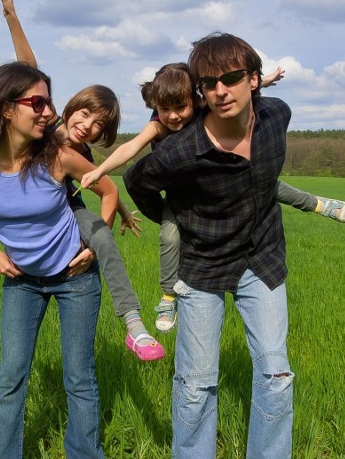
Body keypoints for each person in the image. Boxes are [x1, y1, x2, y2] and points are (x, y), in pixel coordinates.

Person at [0, 0, 164, 361]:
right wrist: (12, 17)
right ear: (68, 109)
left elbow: (102, 183)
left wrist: (118, 211)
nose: (88, 126)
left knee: (99, 237)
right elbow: (28, 71)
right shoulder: (45, 125)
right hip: (25, 208)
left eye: (99, 126)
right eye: (85, 115)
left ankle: (134, 323)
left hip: (69, 215)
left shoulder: (78, 153)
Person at [80, 62, 345, 333]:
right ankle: (167, 297)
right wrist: (100, 170)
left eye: (181, 108)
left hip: (218, 186)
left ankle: (318, 204)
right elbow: (130, 147)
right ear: (156, 106)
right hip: (181, 197)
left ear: (196, 98)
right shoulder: (157, 125)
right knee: (170, 235)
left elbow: (234, 95)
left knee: (269, 185)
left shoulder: (204, 108)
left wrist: (264, 81)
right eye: (165, 110)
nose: (174, 116)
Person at [123, 32, 296, 458]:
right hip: (201, 264)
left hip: (262, 257)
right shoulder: (181, 151)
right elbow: (136, 182)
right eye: (209, 83)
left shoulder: (276, 116)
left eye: (231, 78)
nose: (220, 91)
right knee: (196, 382)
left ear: (253, 79)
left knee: (276, 374)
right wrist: (176, 219)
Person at [0, 61, 108, 457]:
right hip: (22, 282)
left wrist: (95, 245)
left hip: (75, 279)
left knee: (79, 377)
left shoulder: (59, 156)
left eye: (49, 102)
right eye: (38, 103)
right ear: (7, 108)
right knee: (10, 376)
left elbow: (108, 190)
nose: (49, 111)